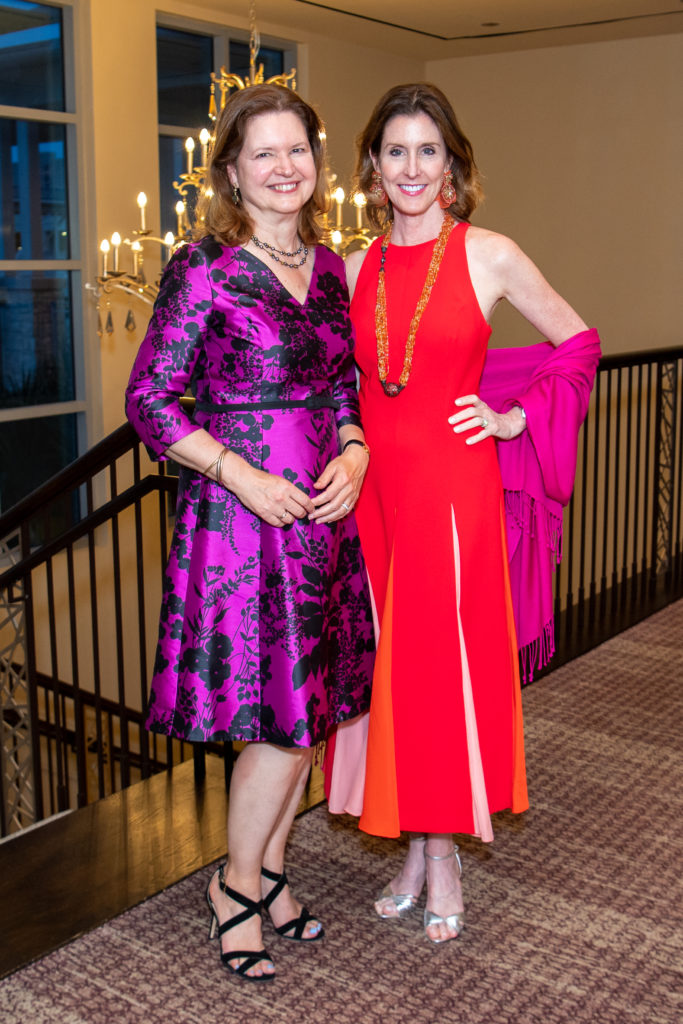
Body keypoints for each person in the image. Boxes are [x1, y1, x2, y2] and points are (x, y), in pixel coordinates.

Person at [326, 83, 600, 944]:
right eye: (395, 152)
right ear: (372, 168)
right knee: (387, 673)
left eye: (428, 152)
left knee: (436, 672)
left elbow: (579, 340)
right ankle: (415, 845)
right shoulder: (351, 266)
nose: (412, 168)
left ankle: (439, 853)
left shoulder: (490, 253)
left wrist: (516, 418)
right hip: (375, 494)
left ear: (453, 165)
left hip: (452, 490)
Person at [125, 83, 375, 981]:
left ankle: (268, 873)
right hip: (242, 524)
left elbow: (344, 383)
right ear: (232, 170)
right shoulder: (204, 267)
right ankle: (235, 887)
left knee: (306, 711)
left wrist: (354, 449)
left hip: (322, 516)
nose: (284, 167)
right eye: (262, 153)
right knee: (274, 718)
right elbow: (149, 401)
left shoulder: (336, 268)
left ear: (317, 162)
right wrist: (241, 474)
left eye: (297, 150)